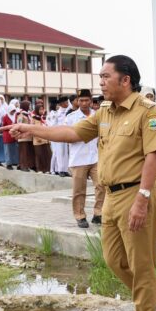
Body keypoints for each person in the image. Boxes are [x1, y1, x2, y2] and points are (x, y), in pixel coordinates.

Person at [2, 55, 156, 311]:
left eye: (106, 76)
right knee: (113, 260)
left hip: (137, 193)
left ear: (126, 80)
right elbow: (72, 133)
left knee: (141, 264)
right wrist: (32, 129)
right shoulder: (104, 111)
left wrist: (143, 200)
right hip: (110, 196)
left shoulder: (149, 111)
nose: (101, 82)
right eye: (100, 77)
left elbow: (153, 157)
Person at [65, 89, 104, 228]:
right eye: (81, 100)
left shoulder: (98, 115)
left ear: (91, 101)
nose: (84, 103)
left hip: (96, 157)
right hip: (78, 159)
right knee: (79, 190)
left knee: (101, 185)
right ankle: (80, 216)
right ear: (77, 101)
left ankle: (98, 213)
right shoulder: (71, 118)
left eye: (87, 100)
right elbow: (66, 137)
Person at [49, 96, 70, 177]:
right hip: (58, 134)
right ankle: (60, 170)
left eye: (67, 102)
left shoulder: (68, 111)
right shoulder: (57, 113)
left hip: (66, 134)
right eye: (65, 103)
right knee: (59, 152)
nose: (67, 104)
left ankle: (65, 170)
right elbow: (52, 124)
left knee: (65, 153)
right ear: (61, 104)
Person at [31, 104, 51, 173]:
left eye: (43, 109)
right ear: (36, 110)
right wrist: (37, 137)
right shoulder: (33, 118)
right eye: (40, 109)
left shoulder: (44, 118)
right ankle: (39, 169)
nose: (42, 111)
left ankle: (47, 169)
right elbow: (32, 129)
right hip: (38, 140)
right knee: (39, 155)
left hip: (45, 139)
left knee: (47, 154)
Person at [16, 100, 35, 172]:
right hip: (23, 137)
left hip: (29, 136)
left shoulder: (28, 114)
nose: (30, 107)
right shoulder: (21, 114)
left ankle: (27, 165)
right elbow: (19, 125)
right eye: (29, 105)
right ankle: (23, 166)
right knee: (23, 152)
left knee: (28, 152)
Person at [2, 104, 19, 170]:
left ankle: (14, 162)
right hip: (7, 135)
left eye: (14, 111)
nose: (13, 112)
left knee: (14, 149)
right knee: (8, 150)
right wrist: (10, 126)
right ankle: (8, 164)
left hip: (13, 135)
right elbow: (3, 126)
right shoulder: (5, 117)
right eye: (12, 111)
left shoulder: (15, 116)